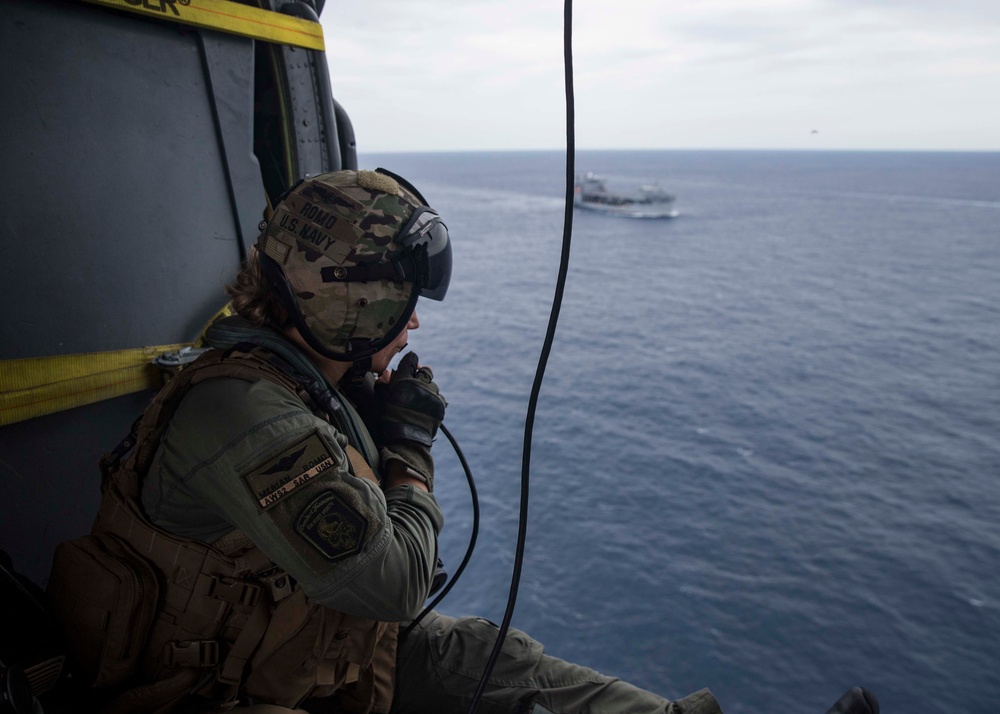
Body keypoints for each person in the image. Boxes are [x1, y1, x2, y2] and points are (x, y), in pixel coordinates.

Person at [47, 169, 876, 714]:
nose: (410, 322)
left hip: (290, 648)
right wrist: (407, 445)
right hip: (207, 693)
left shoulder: (300, 388)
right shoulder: (247, 417)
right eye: (399, 302)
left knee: (489, 656)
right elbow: (397, 581)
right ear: (347, 306)